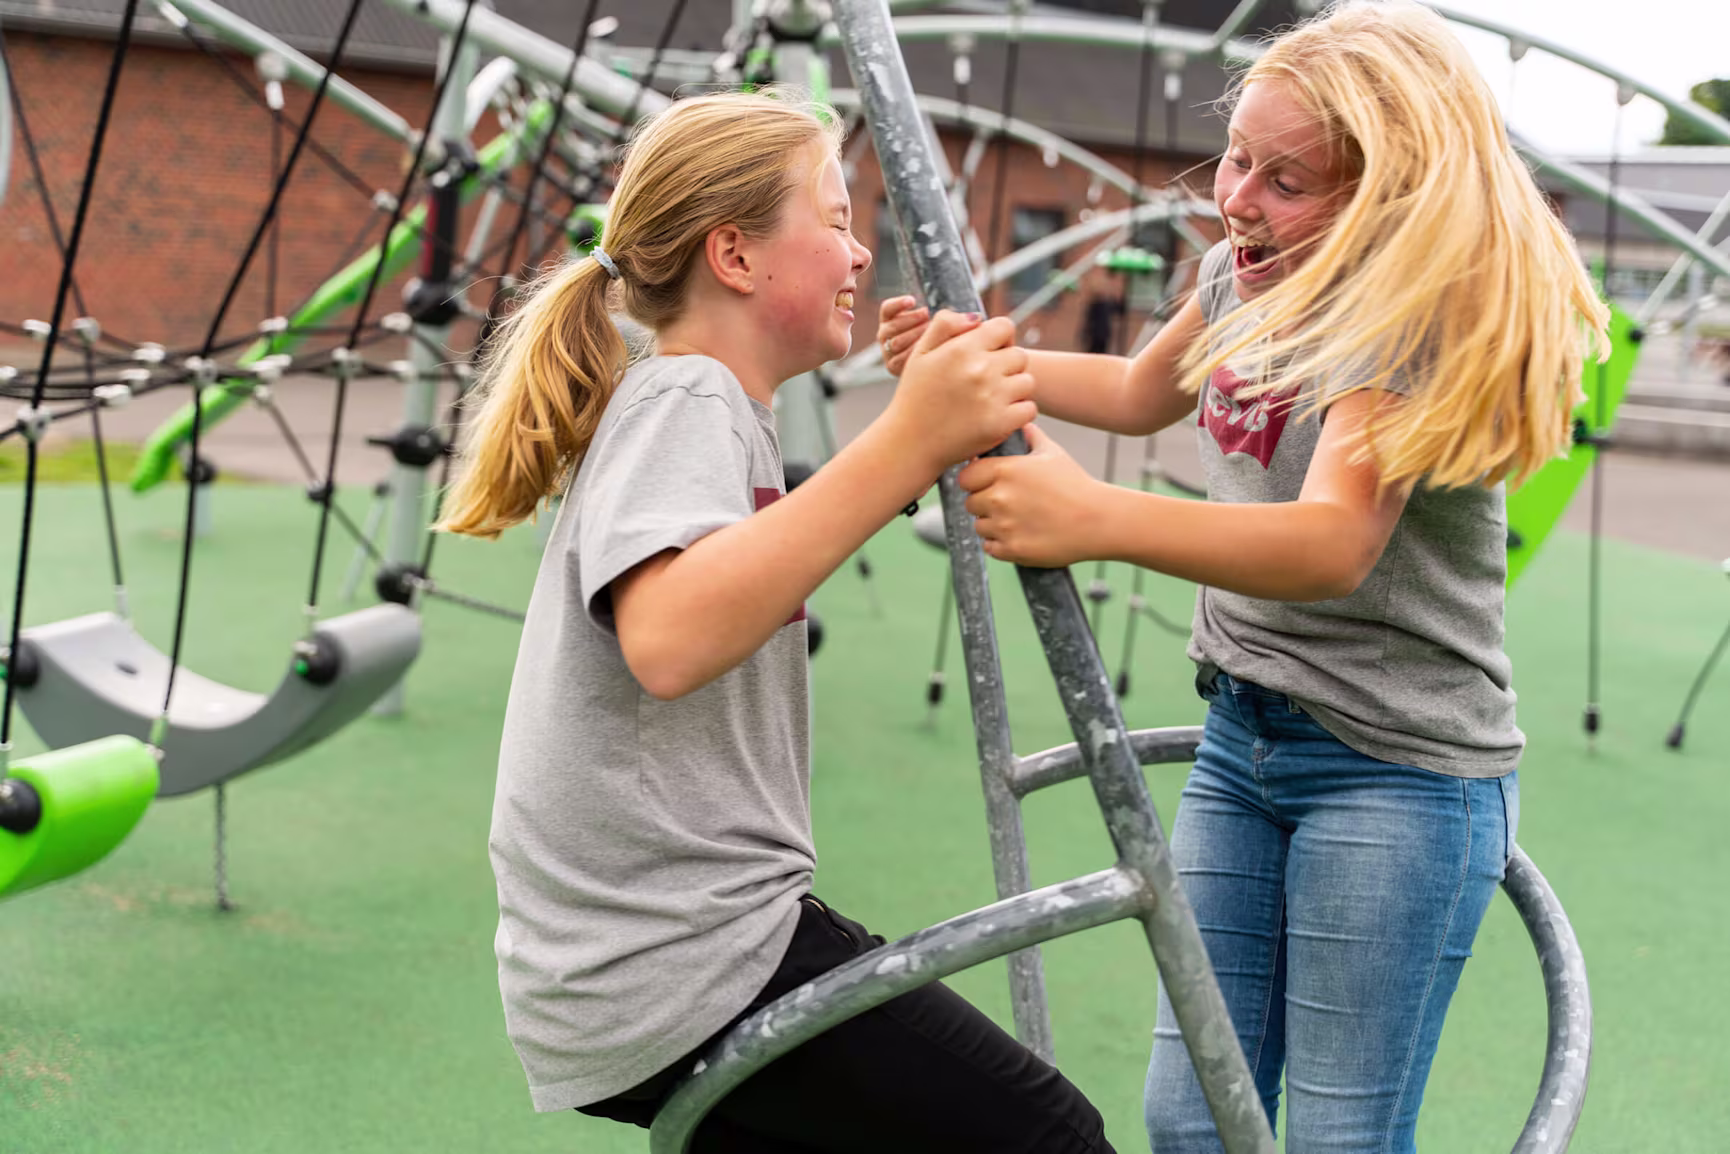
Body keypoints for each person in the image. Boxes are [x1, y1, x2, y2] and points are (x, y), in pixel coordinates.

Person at [877, 4, 1609, 1151]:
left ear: (1384, 197)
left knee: (1336, 1134)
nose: (1236, 198)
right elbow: (1133, 391)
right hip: (1243, 742)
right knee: (1190, 1113)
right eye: (1236, 159)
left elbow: (1328, 544)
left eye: (1285, 180)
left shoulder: (1400, 315)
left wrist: (1096, 518)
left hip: (1394, 768)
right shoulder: (1235, 275)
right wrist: (973, 356)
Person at [438, 91, 1114, 1153]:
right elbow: (666, 637)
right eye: (836, 219)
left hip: (644, 959)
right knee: (1049, 1136)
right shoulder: (686, 398)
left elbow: (754, 546)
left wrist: (922, 442)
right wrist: (903, 439)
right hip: (686, 956)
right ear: (735, 257)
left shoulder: (709, 408)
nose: (860, 253)